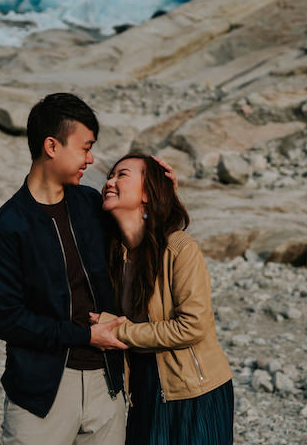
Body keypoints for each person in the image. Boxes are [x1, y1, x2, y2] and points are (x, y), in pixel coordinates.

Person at [0, 93, 176, 445]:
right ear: (52, 146)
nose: (91, 158)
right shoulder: (6, 230)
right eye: (85, 148)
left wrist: (163, 197)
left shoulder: (90, 204)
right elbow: (6, 319)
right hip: (42, 394)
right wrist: (84, 336)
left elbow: (142, 241)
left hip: (107, 383)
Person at [92, 153, 234, 445]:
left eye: (122, 175)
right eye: (110, 175)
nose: (110, 181)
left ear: (146, 194)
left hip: (194, 391)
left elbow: (192, 326)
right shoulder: (115, 253)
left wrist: (118, 331)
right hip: (143, 389)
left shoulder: (179, 248)